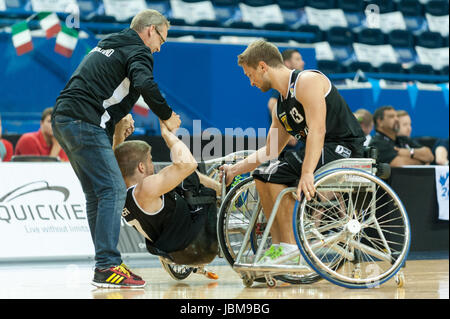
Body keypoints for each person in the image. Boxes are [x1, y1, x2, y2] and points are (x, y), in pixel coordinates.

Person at [51, 9, 181, 288]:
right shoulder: (140, 50)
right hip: (84, 119)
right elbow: (145, 83)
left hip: (63, 118)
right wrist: (167, 115)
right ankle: (107, 265)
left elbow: (102, 84)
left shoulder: (111, 41)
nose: (160, 48)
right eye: (162, 39)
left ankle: (105, 264)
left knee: (96, 194)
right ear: (150, 30)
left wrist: (119, 115)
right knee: (112, 189)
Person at [220, 40, 365, 264]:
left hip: (344, 147)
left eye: (250, 75)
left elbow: (318, 129)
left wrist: (307, 173)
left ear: (262, 66)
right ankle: (279, 247)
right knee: (262, 173)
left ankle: (289, 245)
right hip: (322, 150)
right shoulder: (281, 106)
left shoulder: (306, 81)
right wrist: (235, 169)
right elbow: (270, 151)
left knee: (277, 170)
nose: (251, 82)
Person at [114, 118, 221, 267]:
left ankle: (222, 188)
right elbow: (189, 164)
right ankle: (224, 189)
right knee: (186, 174)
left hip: (173, 254)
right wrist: (169, 135)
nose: (152, 165)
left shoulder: (116, 190)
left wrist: (118, 134)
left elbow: (116, 162)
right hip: (199, 246)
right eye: (150, 161)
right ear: (141, 167)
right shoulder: (145, 188)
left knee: (173, 177)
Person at [369, 105, 434, 167]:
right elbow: (400, 164)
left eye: (397, 116)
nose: (396, 119)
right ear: (380, 122)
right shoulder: (377, 143)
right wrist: (422, 161)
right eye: (391, 116)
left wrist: (408, 152)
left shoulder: (402, 139)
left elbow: (429, 156)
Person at [267, 49, 305, 152]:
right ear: (287, 63)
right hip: (286, 149)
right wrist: (288, 131)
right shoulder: (285, 81)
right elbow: (272, 104)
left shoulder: (299, 81)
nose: (303, 62)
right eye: (297, 59)